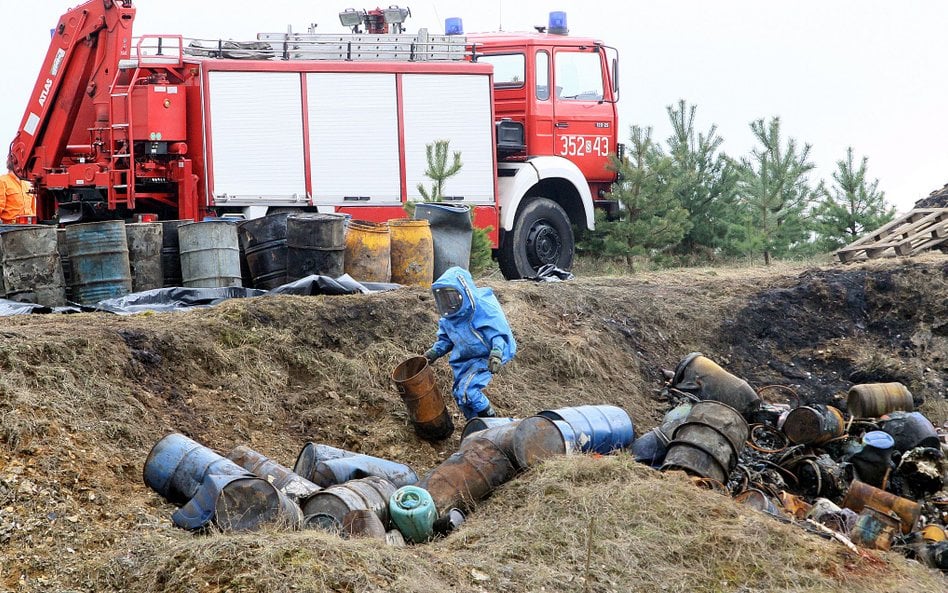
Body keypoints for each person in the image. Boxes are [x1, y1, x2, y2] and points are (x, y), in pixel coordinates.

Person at [423, 266, 516, 420]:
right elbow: (446, 340)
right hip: (466, 360)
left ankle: (492, 423)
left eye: (452, 297)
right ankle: (474, 426)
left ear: (464, 292)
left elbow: (498, 333)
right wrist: (434, 352)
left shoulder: (482, 309)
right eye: (444, 298)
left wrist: (497, 353)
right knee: (460, 395)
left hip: (486, 356)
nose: (449, 303)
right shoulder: (449, 319)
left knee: (469, 391)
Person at [0, 157, 32, 223]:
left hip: (29, 226)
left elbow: (33, 208)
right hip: (10, 227)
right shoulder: (2, 181)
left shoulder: (27, 183)